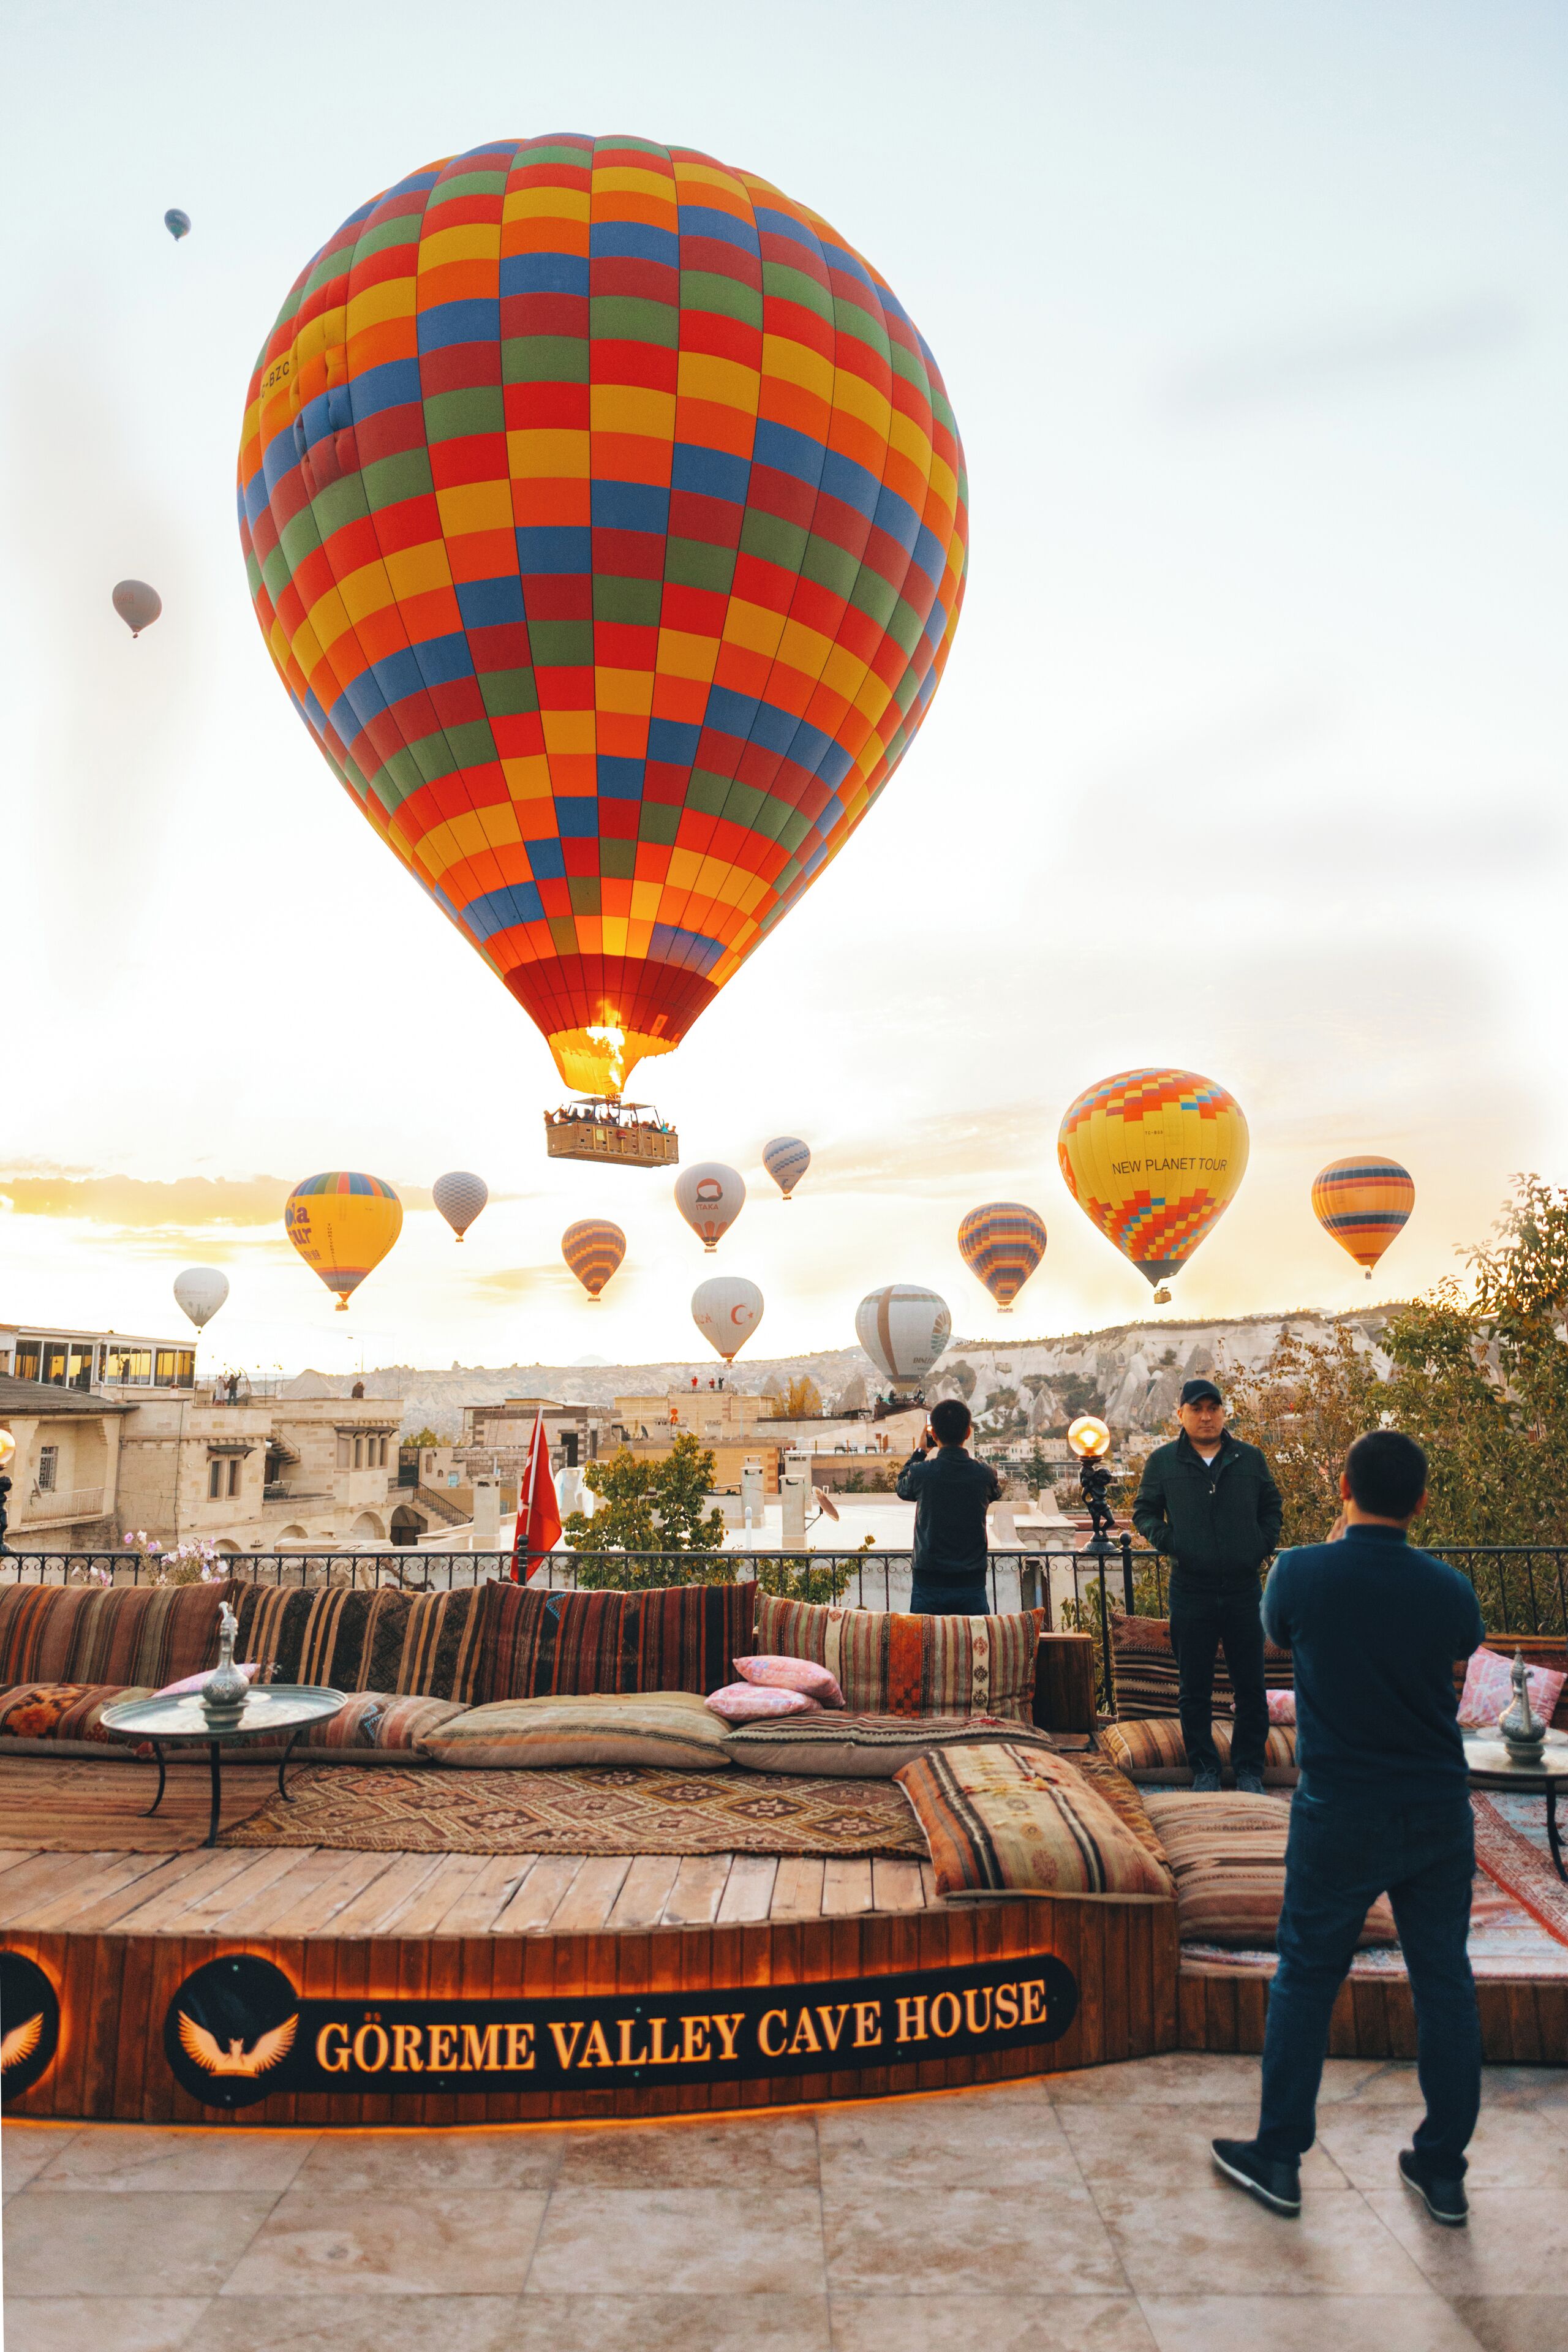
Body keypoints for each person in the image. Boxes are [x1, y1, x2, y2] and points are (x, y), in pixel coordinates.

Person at [1212, 1430, 1485, 2226]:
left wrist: (1333, 1546)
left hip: (1341, 1810)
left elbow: (1279, 1634)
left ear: (1342, 1486)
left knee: (1306, 1976)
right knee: (1445, 1982)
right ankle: (1441, 2169)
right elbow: (1463, 1646)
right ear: (1423, 1500)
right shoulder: (1450, 1588)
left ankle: (1279, 2155)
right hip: (1437, 1807)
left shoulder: (1301, 1571)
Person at [1134, 1378, 1283, 1793]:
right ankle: (1205, 1769)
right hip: (1191, 1588)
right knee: (1193, 1686)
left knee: (1251, 1684)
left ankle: (1250, 1770)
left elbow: (1272, 1508)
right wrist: (1172, 1543)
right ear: (1180, 1414)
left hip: (1242, 1588)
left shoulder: (1249, 1458)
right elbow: (1145, 1512)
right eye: (1196, 1409)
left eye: (1213, 1408)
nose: (1206, 1416)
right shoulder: (1164, 1462)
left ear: (1223, 1412)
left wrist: (1258, 1546)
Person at [896, 1397, 1001, 1613]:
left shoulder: (921, 1473)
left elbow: (901, 1487)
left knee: (926, 1644)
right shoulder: (985, 1474)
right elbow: (995, 1492)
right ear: (968, 1433)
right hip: (972, 1583)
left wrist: (920, 1452)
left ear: (933, 1435)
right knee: (975, 1644)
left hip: (929, 1582)